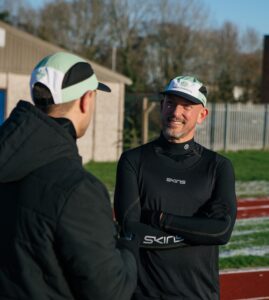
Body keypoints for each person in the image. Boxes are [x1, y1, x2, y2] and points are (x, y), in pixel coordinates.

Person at [0, 52, 138, 300]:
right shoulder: (79, 190)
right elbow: (111, 292)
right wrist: (128, 247)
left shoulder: (7, 156)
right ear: (86, 100)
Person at [114, 76, 237, 300]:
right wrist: (198, 233)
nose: (175, 112)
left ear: (202, 115)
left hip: (198, 294)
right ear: (162, 107)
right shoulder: (133, 160)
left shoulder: (218, 166)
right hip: (143, 294)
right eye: (170, 103)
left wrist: (160, 219)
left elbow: (221, 231)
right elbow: (131, 229)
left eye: (186, 106)